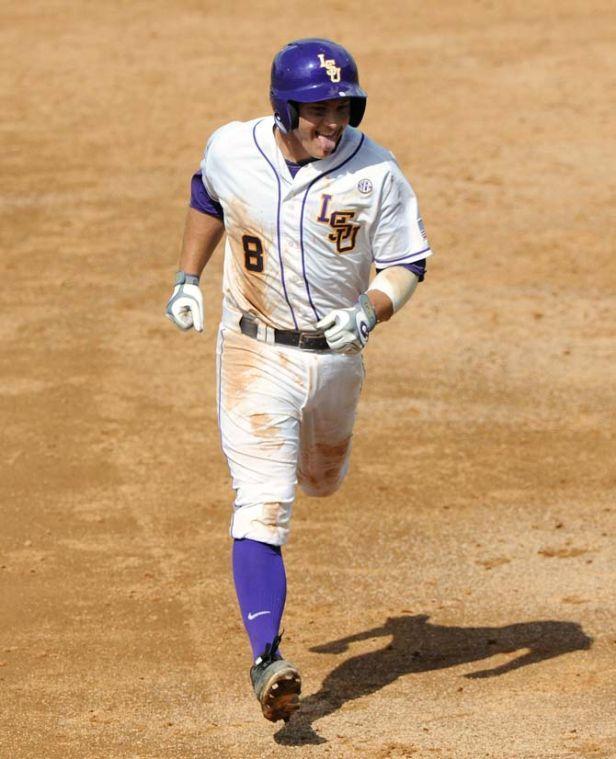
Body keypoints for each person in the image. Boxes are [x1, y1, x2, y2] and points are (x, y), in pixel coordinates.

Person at [165, 38, 432, 724]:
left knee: (322, 478)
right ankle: (267, 658)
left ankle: (316, 469)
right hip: (254, 354)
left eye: (342, 108)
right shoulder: (233, 148)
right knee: (263, 502)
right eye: (317, 110)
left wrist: (368, 313)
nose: (332, 122)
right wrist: (188, 278)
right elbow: (207, 192)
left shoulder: (375, 172)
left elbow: (407, 263)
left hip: (337, 362)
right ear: (285, 108)